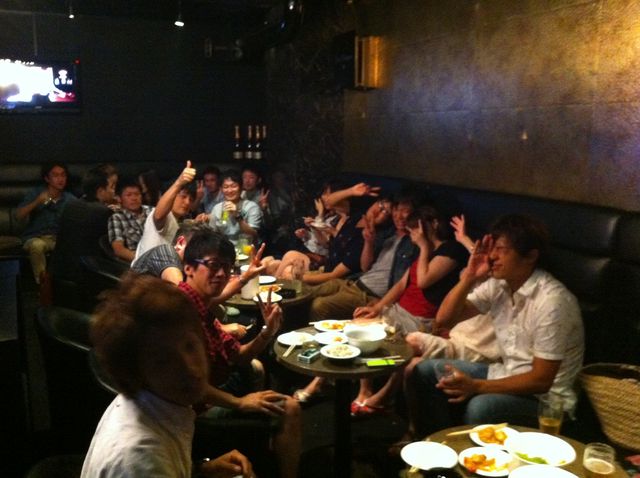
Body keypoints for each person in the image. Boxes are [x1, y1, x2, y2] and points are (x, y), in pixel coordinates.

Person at [407, 214, 584, 437]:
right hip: (505, 373)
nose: (492, 256)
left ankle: (466, 454)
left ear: (530, 256)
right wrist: (470, 277)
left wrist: (476, 386)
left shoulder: (552, 301)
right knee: (424, 371)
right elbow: (444, 319)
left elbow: (541, 380)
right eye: (493, 248)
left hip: (546, 402)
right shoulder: (499, 285)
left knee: (482, 407)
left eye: (502, 250)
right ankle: (437, 445)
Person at [82, 273, 254, 478]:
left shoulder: (150, 404)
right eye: (163, 361)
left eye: (190, 346)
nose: (190, 369)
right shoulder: (141, 460)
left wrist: (201, 469)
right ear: (136, 373)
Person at [179, 230, 301, 478]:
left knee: (254, 368)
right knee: (290, 408)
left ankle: (261, 449)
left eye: (226, 267)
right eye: (214, 265)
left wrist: (267, 331)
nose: (222, 274)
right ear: (188, 268)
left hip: (209, 393)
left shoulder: (202, 306)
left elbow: (241, 355)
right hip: (190, 415)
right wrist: (240, 402)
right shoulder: (180, 312)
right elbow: (188, 384)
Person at [306, 191, 418, 321]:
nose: (399, 216)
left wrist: (382, 304)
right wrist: (369, 242)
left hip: (369, 295)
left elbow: (404, 283)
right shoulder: (386, 235)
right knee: (305, 291)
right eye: (396, 210)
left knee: (319, 305)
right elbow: (365, 267)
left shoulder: (414, 243)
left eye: (405, 211)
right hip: (354, 283)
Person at [50, 164, 117, 287]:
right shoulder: (103, 212)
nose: (114, 191)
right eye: (112, 186)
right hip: (85, 275)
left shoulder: (71, 205)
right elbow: (113, 248)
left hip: (59, 271)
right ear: (100, 191)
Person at [16, 162, 75, 283]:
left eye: (63, 175)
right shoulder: (36, 193)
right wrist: (37, 201)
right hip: (35, 237)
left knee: (75, 245)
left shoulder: (70, 199)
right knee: (37, 245)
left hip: (58, 239)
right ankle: (43, 285)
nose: (60, 179)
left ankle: (67, 285)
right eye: (56, 175)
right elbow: (18, 216)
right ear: (47, 178)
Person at [132, 161, 198, 265]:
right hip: (145, 272)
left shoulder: (179, 220)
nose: (187, 202)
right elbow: (158, 216)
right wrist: (179, 183)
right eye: (183, 196)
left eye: (191, 199)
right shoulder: (165, 215)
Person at [205, 170, 262, 246]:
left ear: (241, 188)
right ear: (221, 189)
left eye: (234, 186)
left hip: (245, 249)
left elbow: (253, 234)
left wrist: (237, 216)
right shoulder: (217, 208)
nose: (229, 190)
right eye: (225, 187)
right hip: (224, 249)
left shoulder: (251, 207)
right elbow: (212, 233)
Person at [107, 178, 151, 263]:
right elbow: (119, 250)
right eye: (129, 195)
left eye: (137, 194)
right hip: (138, 261)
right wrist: (143, 261)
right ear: (119, 198)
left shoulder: (151, 211)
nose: (134, 198)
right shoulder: (117, 218)